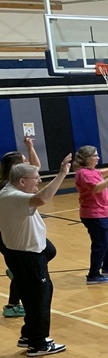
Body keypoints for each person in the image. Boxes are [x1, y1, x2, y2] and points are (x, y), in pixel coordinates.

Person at [0, 155, 72, 356]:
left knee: (35, 295)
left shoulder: (12, 192)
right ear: (22, 181)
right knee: (39, 297)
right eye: (36, 178)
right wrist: (62, 174)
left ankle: (28, 335)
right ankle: (38, 343)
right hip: (27, 256)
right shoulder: (11, 197)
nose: (39, 181)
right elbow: (42, 198)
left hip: (24, 255)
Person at [1, 136, 40, 319]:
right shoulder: (8, 189)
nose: (28, 162)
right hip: (8, 234)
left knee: (48, 252)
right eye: (24, 160)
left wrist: (30, 147)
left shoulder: (14, 184)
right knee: (21, 272)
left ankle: (14, 300)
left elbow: (36, 167)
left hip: (12, 231)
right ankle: (12, 305)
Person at [74, 146, 108, 285]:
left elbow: (100, 173)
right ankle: (93, 274)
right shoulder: (83, 173)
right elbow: (97, 187)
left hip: (103, 212)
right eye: (95, 155)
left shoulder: (91, 171)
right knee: (101, 243)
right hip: (93, 214)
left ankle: (107, 266)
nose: (98, 158)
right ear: (87, 158)